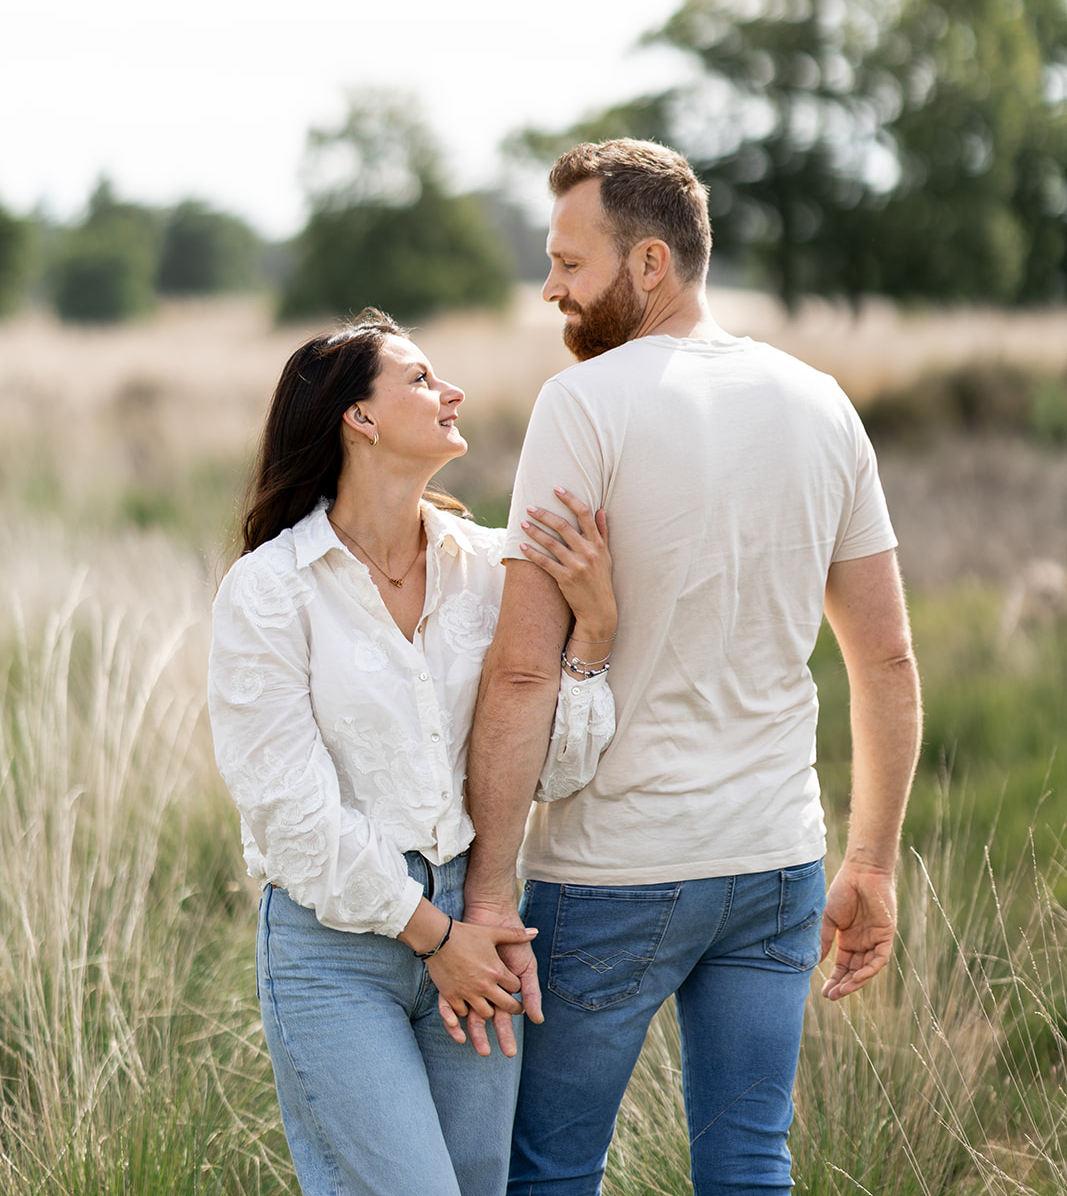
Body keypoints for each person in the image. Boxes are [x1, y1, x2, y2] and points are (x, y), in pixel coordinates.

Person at [457, 140, 923, 1196]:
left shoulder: (580, 408)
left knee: (549, 1169)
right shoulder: (820, 403)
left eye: (570, 264)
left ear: (650, 262)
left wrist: (488, 895)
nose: (550, 288)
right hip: (775, 863)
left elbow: (524, 675)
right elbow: (885, 657)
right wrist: (873, 864)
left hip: (616, 868)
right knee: (749, 1161)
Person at [207, 309, 617, 1196]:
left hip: (477, 921)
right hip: (337, 949)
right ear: (358, 417)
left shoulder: (493, 563)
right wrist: (434, 937)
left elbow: (555, 769)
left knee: (477, 1187)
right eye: (423, 378)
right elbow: (290, 814)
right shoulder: (270, 590)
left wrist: (594, 631)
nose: (452, 392)